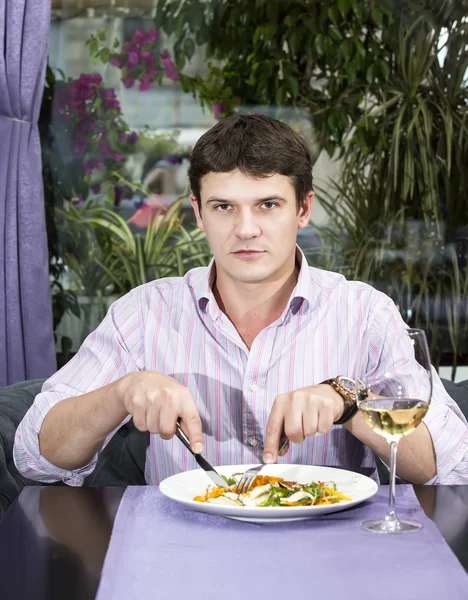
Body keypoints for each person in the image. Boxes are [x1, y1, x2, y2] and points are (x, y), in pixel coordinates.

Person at [14, 115, 468, 486]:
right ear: (197, 212)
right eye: (224, 206)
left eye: (268, 204)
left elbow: (445, 465)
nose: (246, 228)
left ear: (303, 209)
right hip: (180, 559)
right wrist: (120, 393)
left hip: (328, 559)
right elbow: (36, 454)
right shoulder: (144, 313)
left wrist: (350, 403)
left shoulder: (365, 314)